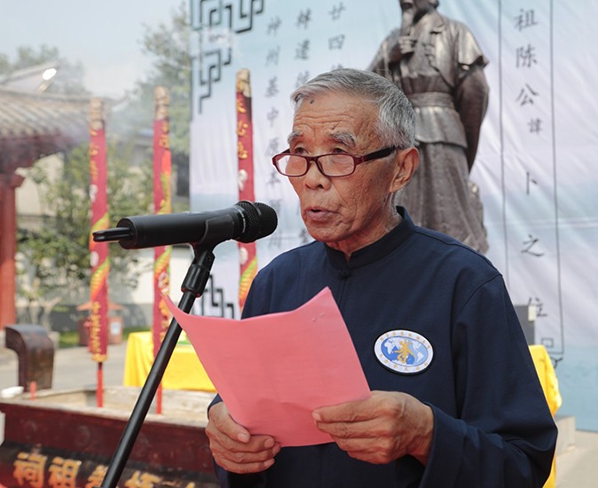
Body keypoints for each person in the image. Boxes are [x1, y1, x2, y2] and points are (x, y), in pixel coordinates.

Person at [205, 68, 557, 487]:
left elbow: (523, 465)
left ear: (401, 170)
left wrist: (427, 434)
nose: (312, 179)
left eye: (339, 154)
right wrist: (227, 431)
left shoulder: (463, 284)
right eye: (299, 153)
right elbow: (244, 409)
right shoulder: (278, 281)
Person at [368, 0, 490, 253]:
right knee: (399, 208)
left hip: (442, 132)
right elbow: (366, 90)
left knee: (450, 212)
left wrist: (461, 136)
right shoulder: (392, 40)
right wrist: (389, 58)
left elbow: (475, 92)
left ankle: (459, 269)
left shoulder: (455, 32)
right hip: (399, 137)